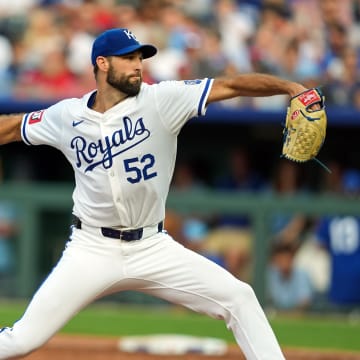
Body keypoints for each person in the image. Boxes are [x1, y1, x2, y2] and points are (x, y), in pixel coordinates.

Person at [0, 27, 309, 359]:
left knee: (240, 297)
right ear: (102, 63)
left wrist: (291, 87)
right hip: (91, 250)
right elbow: (14, 126)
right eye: (128, 57)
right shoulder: (67, 115)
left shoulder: (162, 99)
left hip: (152, 247)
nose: (138, 65)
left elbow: (231, 85)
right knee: (22, 341)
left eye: (140, 58)